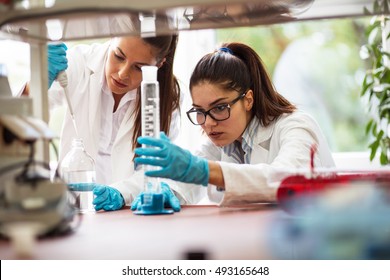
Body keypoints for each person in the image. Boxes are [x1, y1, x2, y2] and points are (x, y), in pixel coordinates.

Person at [22, 22, 201, 211]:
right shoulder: (79, 63)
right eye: (119, 56)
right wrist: (36, 81)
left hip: (129, 214)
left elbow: (155, 170)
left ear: (159, 64)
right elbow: (17, 120)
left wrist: (121, 193)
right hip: (73, 210)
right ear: (111, 37)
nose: (123, 74)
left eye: (139, 67)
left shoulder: (166, 97)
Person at [133, 42, 336, 206]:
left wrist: (204, 170)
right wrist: (166, 192)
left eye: (220, 108)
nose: (209, 123)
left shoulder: (296, 126)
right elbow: (185, 184)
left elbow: (287, 180)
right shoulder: (224, 141)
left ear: (248, 99)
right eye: (200, 112)